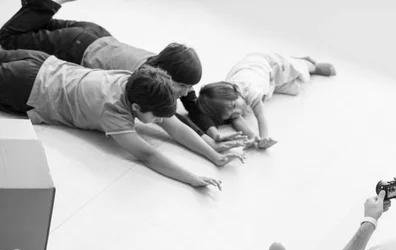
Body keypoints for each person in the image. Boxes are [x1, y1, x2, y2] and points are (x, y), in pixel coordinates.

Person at [0, 0, 248, 157]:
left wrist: (212, 135)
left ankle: (42, 4)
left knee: (30, 32)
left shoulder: (166, 69)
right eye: (183, 87)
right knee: (7, 39)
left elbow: (190, 106)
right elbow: (170, 121)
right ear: (169, 78)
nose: (186, 92)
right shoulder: (144, 83)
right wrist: (209, 145)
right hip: (77, 46)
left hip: (95, 35)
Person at [0, 48, 224, 189]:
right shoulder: (113, 113)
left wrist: (214, 155)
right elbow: (148, 155)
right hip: (27, 86)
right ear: (136, 108)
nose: (159, 122)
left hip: (41, 62)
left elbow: (174, 127)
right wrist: (191, 178)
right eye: (156, 118)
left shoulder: (138, 82)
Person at [181, 52, 336, 149]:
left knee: (294, 69)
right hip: (265, 81)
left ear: (235, 92)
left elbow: (260, 117)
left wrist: (264, 137)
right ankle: (299, 71)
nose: (237, 112)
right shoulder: (228, 103)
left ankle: (308, 63)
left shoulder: (249, 90)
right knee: (295, 88)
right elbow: (237, 120)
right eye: (230, 113)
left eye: (235, 105)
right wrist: (253, 138)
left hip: (266, 65)